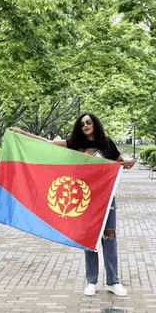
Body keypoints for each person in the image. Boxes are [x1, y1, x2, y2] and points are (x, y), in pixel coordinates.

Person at [10, 113, 135, 297]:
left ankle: (113, 281)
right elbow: (47, 143)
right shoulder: (74, 144)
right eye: (82, 123)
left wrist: (129, 162)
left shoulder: (107, 144)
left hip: (107, 199)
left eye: (89, 122)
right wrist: (23, 134)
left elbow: (120, 162)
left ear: (95, 124)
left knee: (110, 237)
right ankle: (91, 281)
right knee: (89, 238)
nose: (85, 125)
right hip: (84, 200)